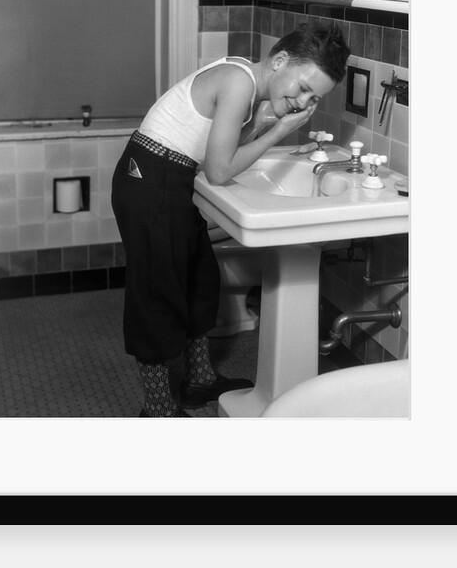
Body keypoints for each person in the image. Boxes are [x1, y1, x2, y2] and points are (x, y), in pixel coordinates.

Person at [111, 22, 350, 416]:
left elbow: (219, 147)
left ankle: (199, 380)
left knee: (199, 279)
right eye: (303, 87)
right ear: (280, 60)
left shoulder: (248, 82)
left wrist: (269, 122)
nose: (302, 100)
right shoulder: (238, 82)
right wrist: (281, 131)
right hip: (149, 179)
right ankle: (156, 407)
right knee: (157, 292)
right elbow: (220, 171)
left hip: (171, 176)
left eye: (313, 97)